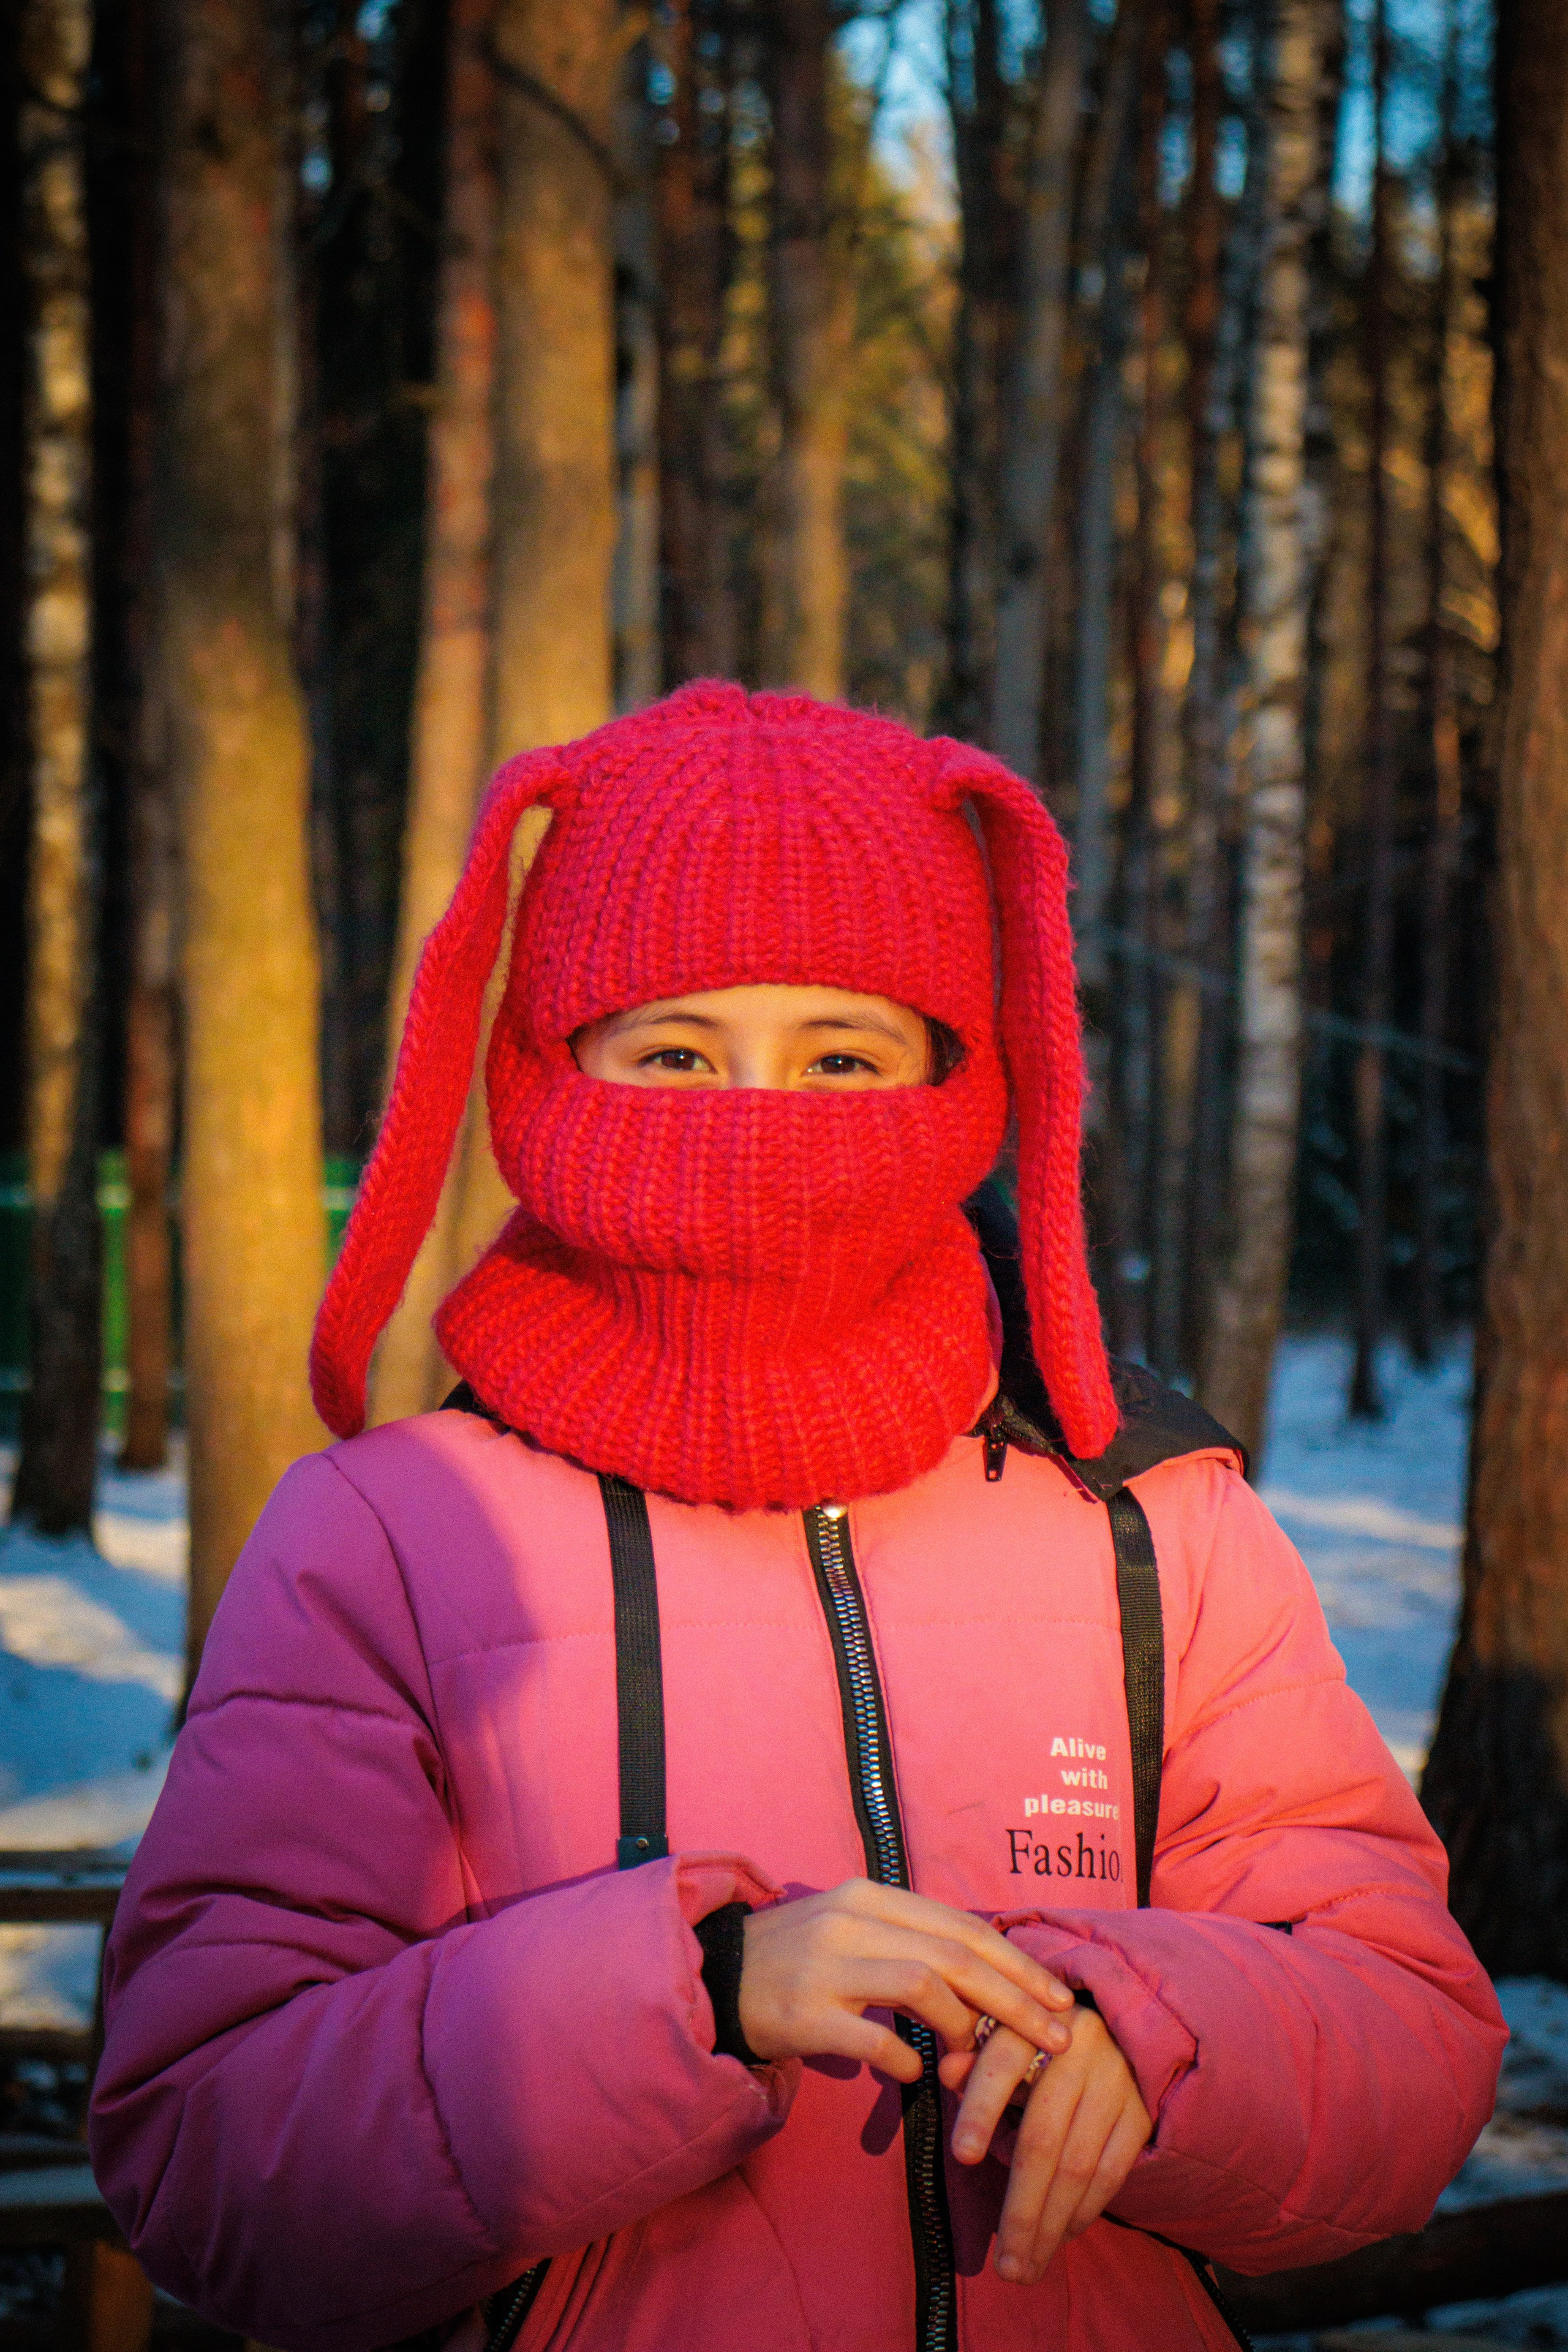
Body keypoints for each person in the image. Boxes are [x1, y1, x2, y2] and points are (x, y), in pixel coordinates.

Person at [90, 684, 1503, 2352]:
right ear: (556, 1070)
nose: (759, 1125)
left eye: (844, 1057)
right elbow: (203, 2150)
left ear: (955, 1078)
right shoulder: (387, 1541)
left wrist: (1169, 2033)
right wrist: (686, 1996)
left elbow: (1410, 2037)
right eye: (678, 1054)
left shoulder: (1151, 1524)